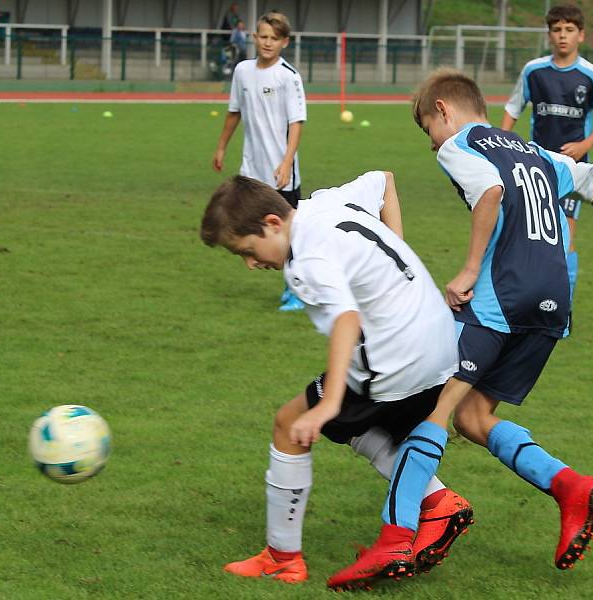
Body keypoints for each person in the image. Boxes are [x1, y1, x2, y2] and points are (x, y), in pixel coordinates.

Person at [331, 68, 593, 587]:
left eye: (428, 129)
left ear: (444, 110)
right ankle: (570, 489)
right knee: (473, 416)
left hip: (501, 296)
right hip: (553, 301)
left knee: (436, 409)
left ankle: (393, 540)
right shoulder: (536, 152)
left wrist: (469, 269)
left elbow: (489, 191)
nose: (432, 146)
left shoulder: (461, 145)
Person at [200, 171, 473, 586]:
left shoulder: (305, 261)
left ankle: (282, 558)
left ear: (273, 224)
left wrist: (327, 404)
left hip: (396, 358)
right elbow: (385, 180)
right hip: (441, 340)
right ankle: (436, 500)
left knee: (292, 423)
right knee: (353, 426)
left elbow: (346, 318)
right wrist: (398, 252)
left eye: (247, 250)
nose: (251, 263)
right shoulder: (325, 202)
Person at [501, 4, 593, 309]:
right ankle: (526, 298)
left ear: (581, 35)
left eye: (569, 30)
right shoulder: (533, 71)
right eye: (556, 30)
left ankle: (560, 306)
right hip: (535, 166)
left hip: (572, 170)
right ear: (549, 35)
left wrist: (583, 146)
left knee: (564, 239)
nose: (562, 36)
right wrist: (503, 145)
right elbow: (513, 109)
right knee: (528, 235)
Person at [212, 12, 307, 312]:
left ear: (284, 42)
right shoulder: (242, 71)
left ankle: (296, 289)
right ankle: (279, 275)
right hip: (251, 170)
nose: (267, 43)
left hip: (281, 172)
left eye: (274, 38)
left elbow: (296, 123)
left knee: (292, 231)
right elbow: (233, 112)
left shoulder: (288, 75)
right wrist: (221, 147)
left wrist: (286, 161)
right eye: (263, 36)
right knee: (247, 225)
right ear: (254, 37)